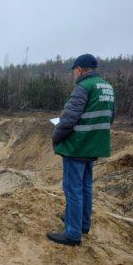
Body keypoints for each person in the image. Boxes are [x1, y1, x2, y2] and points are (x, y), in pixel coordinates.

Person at [47, 54, 115, 246]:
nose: (73, 75)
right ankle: (83, 224)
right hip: (93, 146)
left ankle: (72, 233)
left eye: (74, 71)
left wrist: (57, 137)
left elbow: (68, 119)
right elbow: (111, 117)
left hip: (77, 147)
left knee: (73, 189)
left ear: (79, 69)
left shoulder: (83, 87)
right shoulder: (107, 87)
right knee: (85, 187)